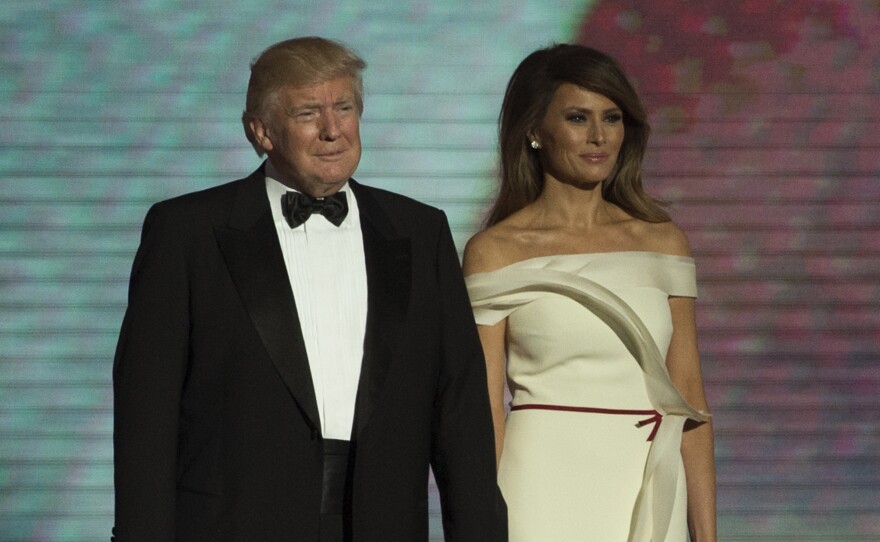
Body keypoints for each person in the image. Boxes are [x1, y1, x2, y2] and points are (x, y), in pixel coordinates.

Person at [112, 36, 507, 542]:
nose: (332, 131)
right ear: (260, 132)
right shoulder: (186, 232)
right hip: (232, 524)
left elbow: (459, 412)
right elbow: (148, 412)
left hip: (382, 522)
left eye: (343, 108)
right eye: (307, 114)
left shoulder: (421, 231)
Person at [462, 43, 716, 541]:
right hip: (540, 484)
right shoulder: (496, 251)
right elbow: (484, 411)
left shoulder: (663, 242)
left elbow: (690, 398)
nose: (599, 136)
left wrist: (706, 536)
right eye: (578, 117)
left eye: (612, 117)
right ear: (535, 130)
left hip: (649, 477)